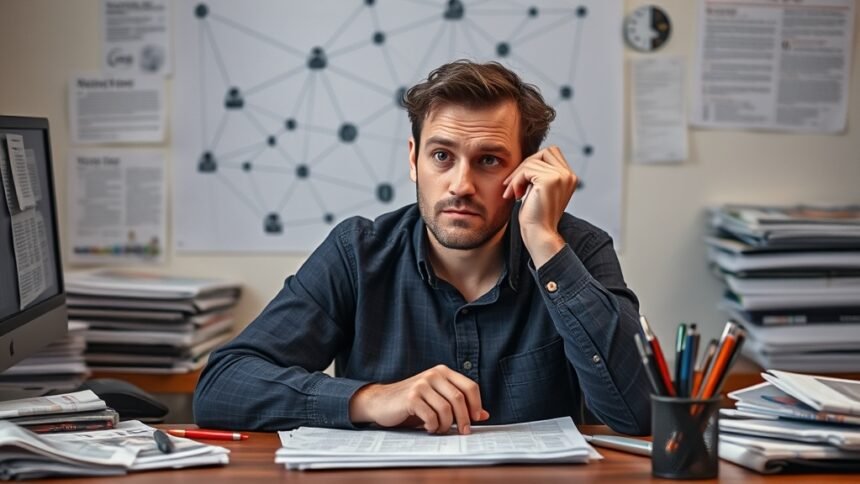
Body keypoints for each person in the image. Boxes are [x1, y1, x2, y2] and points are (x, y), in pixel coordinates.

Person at [194, 60, 651, 436]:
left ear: (526, 173)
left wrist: (546, 243)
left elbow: (640, 413)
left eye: (489, 160)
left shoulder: (578, 251)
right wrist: (371, 398)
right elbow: (220, 388)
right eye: (441, 156)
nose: (461, 185)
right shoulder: (358, 253)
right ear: (413, 160)